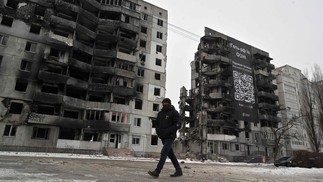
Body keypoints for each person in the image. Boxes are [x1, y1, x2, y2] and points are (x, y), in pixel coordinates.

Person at [148, 98, 183, 178]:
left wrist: (168, 131)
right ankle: (178, 170)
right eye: (163, 103)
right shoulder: (160, 114)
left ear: (170, 103)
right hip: (163, 137)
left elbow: (178, 124)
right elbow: (157, 124)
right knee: (170, 154)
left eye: (166, 103)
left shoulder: (174, 113)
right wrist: (159, 133)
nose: (165, 105)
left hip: (170, 137)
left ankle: (157, 171)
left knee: (164, 152)